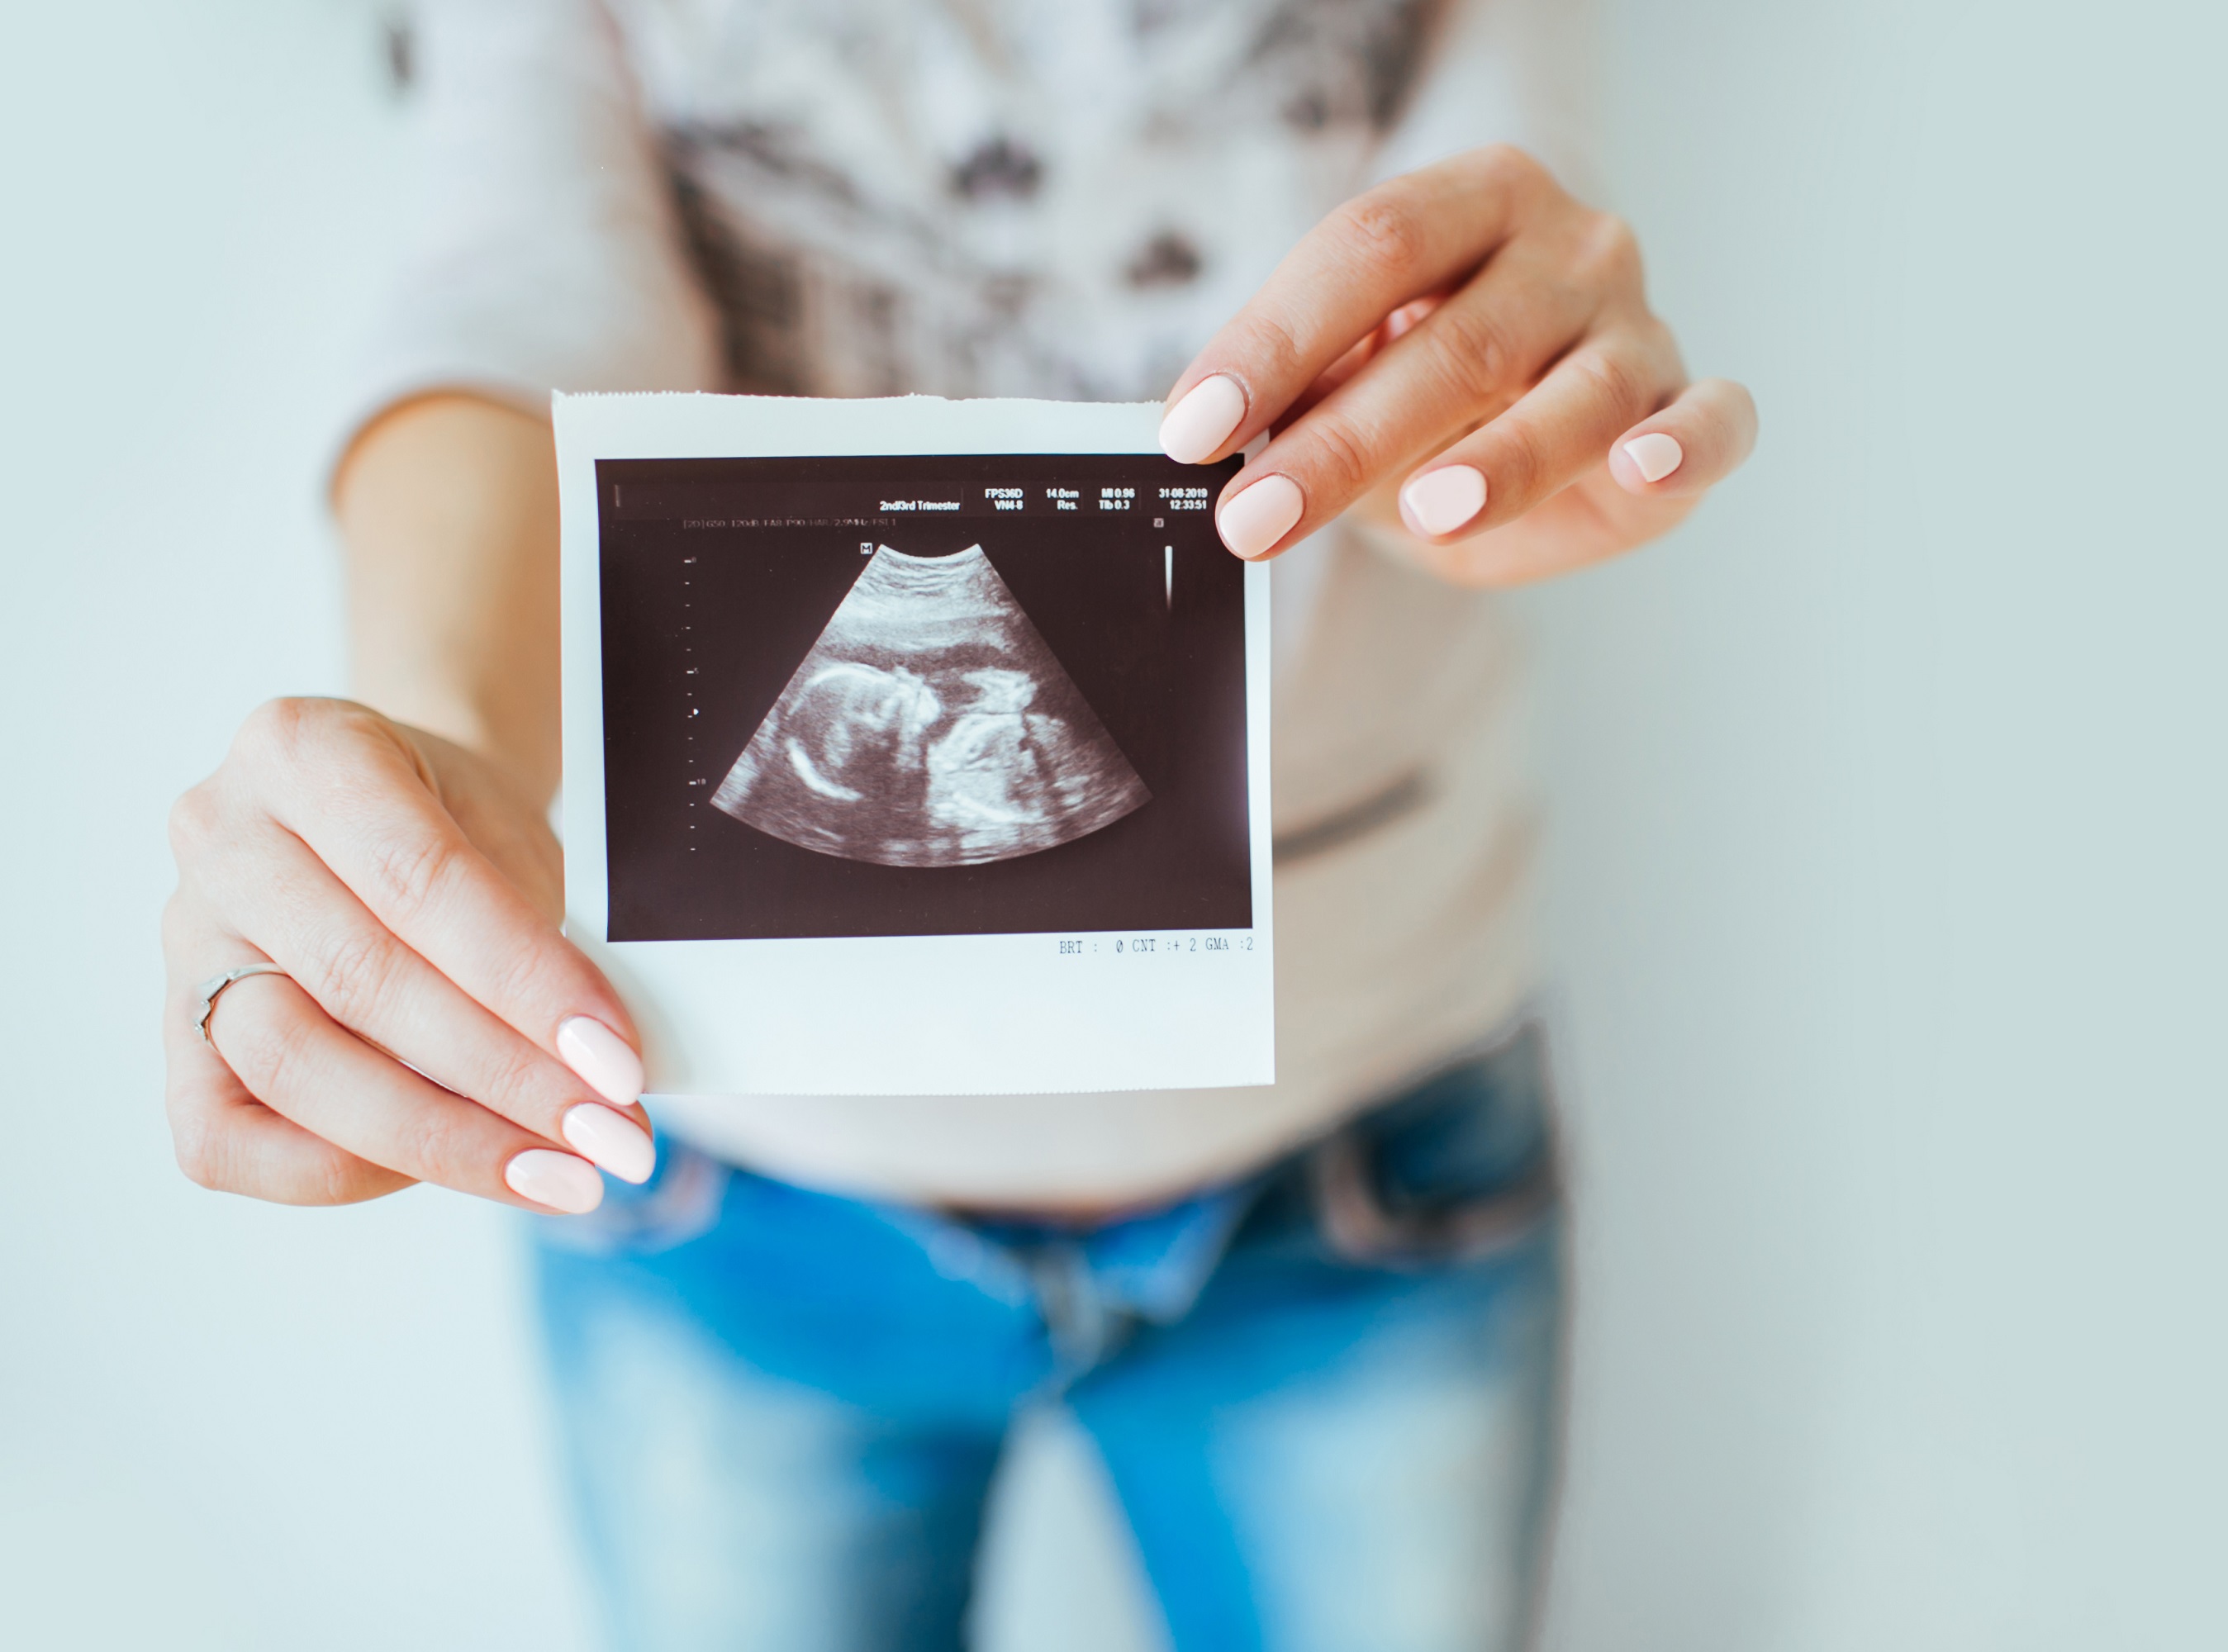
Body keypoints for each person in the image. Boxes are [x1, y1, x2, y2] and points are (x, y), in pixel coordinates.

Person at [159, 2, 1756, 1646]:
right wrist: (440, 736)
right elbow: (519, 286)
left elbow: (1482, 237)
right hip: (732, 1186)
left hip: (1368, 1139)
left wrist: (1490, 424)